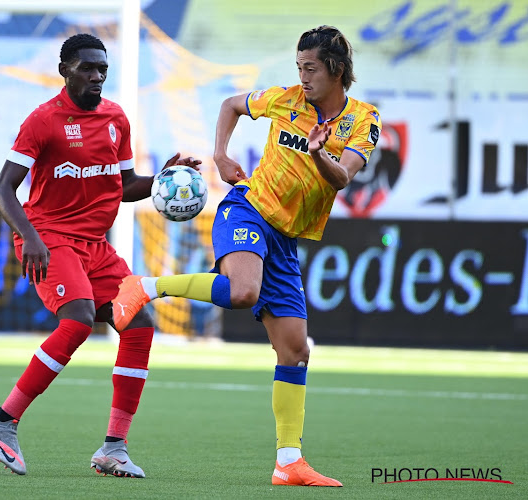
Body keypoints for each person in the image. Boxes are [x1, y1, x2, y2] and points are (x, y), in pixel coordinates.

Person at [112, 25, 381, 487]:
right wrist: (220, 154)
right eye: (298, 67)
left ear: (336, 69)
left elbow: (341, 178)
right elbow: (230, 104)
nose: (302, 77)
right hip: (248, 209)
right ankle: (146, 286)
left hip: (286, 238)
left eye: (310, 68)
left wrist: (318, 154)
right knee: (242, 291)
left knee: (295, 352)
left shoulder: (364, 119)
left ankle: (288, 462)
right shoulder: (285, 99)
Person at [0, 33, 201, 478]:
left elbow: (123, 186)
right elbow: (3, 190)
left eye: (102, 69)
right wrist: (31, 238)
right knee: (78, 318)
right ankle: (2, 421)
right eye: (87, 68)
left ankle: (113, 448)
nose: (97, 76)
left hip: (95, 247)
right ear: (65, 70)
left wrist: (160, 182)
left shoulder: (116, 118)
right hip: (48, 238)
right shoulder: (43, 121)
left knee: (139, 322)